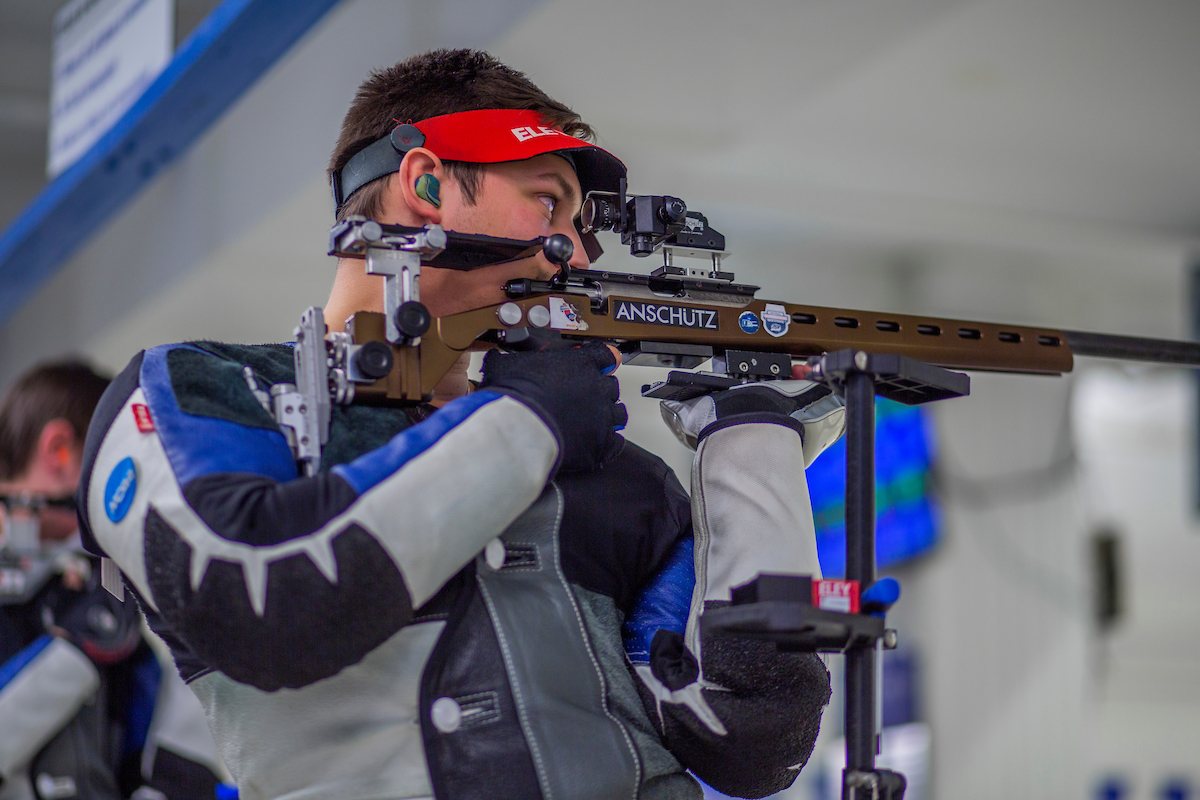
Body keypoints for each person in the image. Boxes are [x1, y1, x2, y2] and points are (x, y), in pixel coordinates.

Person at [76, 49, 838, 800]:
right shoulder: (204, 390)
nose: (574, 250)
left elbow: (753, 738)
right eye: (549, 203)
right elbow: (258, 605)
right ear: (428, 183)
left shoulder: (615, 473)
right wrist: (522, 424)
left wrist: (753, 440)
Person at [0, 360, 225, 800]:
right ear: (60, 451)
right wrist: (77, 651)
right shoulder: (91, 613)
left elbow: (172, 758)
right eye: (113, 465)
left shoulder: (90, 590)